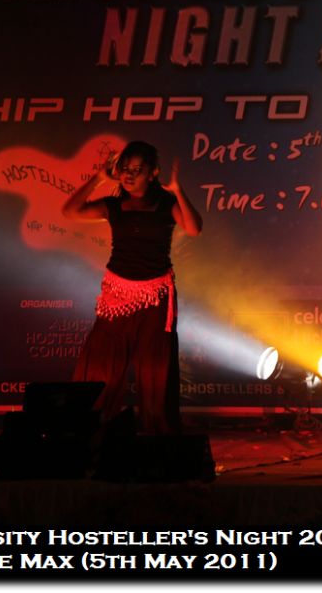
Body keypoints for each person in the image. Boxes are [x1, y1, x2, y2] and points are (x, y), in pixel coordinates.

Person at [61, 140, 203, 434]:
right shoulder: (113, 205)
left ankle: (157, 435)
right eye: (125, 168)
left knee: (154, 370)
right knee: (102, 366)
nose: (129, 175)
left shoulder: (166, 204)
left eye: (137, 170)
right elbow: (70, 212)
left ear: (153, 173)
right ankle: (90, 433)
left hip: (155, 296)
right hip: (117, 294)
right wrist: (98, 178)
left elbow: (193, 228)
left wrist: (178, 191)